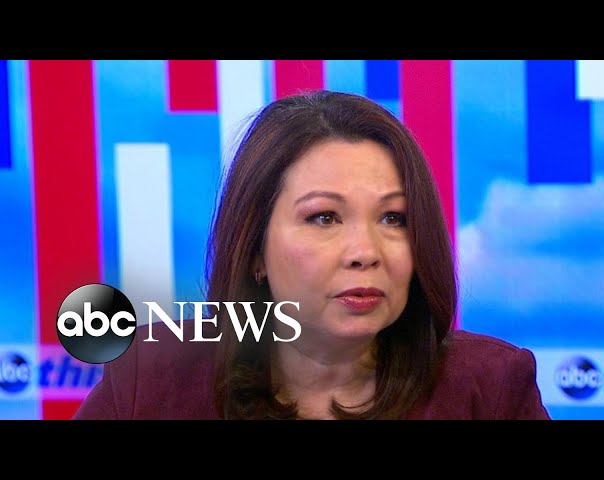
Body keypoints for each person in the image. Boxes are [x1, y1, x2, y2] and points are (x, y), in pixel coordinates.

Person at [73, 90, 550, 420]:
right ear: (255, 249)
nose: (365, 252)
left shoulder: (488, 387)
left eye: (393, 218)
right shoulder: (152, 377)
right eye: (324, 217)